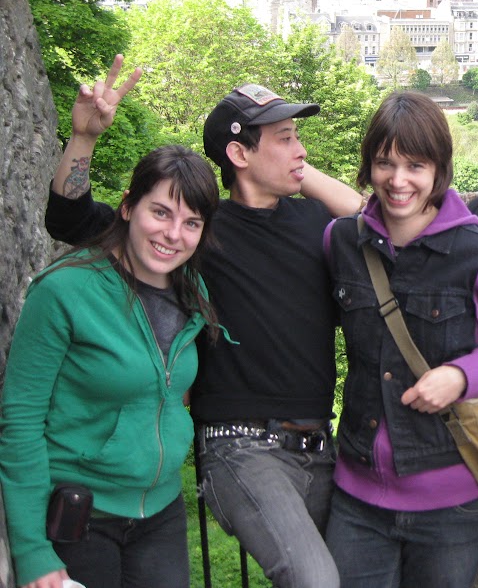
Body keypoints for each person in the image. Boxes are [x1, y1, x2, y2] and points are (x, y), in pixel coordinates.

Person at [44, 56, 364, 588]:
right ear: (238, 153)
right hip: (240, 445)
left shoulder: (315, 221)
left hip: (320, 445)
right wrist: (84, 137)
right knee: (315, 580)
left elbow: (369, 219)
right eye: (286, 138)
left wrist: (295, 167)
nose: (301, 150)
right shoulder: (199, 232)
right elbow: (69, 218)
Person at [322, 91, 478, 588]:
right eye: (385, 163)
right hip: (357, 494)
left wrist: (460, 376)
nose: (398, 181)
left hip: (452, 502)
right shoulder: (342, 241)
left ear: (439, 168)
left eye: (415, 165)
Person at [0, 143, 220, 588]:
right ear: (127, 206)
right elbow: (20, 420)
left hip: (161, 511)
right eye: (160, 212)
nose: (173, 234)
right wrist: (32, 550)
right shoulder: (65, 290)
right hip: (79, 515)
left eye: (191, 223)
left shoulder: (191, 290)